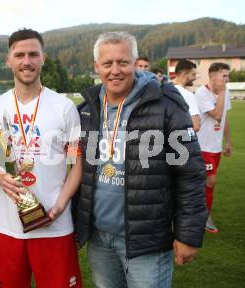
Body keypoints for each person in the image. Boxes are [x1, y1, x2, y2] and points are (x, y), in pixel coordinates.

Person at [74, 31, 207, 287]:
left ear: (135, 63)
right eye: (107, 63)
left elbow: (190, 173)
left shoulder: (165, 105)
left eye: (123, 62)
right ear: (96, 67)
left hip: (147, 240)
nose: (115, 70)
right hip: (100, 238)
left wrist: (188, 234)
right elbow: (77, 168)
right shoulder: (87, 109)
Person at [0, 29, 83, 287]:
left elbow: (76, 161)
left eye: (33, 54)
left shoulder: (64, 107)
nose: (27, 61)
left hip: (54, 223)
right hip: (6, 225)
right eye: (20, 55)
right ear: (9, 60)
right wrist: (0, 178)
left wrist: (60, 204)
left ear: (43, 58)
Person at [195, 62, 233, 234]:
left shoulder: (226, 92)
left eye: (227, 76)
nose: (227, 79)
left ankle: (197, 213)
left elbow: (223, 119)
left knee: (205, 183)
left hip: (216, 147)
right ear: (212, 76)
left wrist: (228, 142)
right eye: (224, 75)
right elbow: (216, 114)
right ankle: (204, 217)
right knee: (210, 181)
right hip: (203, 146)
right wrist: (222, 93)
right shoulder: (201, 93)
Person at [173, 59, 201, 131]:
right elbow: (196, 126)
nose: (195, 78)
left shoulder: (163, 90)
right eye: (193, 74)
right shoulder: (188, 95)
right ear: (184, 74)